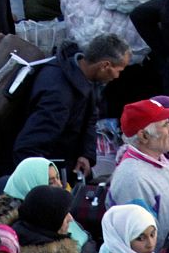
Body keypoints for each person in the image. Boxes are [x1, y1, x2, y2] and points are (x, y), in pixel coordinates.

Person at [13, 35, 129, 175]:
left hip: (66, 162)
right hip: (51, 172)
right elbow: (28, 147)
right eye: (119, 71)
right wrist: (49, 183)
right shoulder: (59, 97)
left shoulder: (81, 74)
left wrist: (85, 154)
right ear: (105, 65)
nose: (117, 76)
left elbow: (90, 116)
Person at [108, 98, 169, 239]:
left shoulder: (160, 159)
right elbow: (141, 243)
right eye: (166, 124)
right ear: (144, 136)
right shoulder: (133, 179)